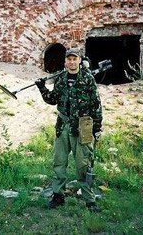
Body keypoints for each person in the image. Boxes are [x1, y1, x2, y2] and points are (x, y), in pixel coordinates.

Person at [35, 48, 103, 212]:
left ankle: (89, 200)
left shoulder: (87, 78)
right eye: (69, 59)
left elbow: (96, 104)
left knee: (84, 164)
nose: (72, 62)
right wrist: (42, 88)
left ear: (79, 60)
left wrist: (97, 128)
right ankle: (58, 195)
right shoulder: (61, 79)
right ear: (65, 62)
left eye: (74, 59)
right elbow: (53, 99)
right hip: (63, 125)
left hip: (83, 126)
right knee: (59, 162)